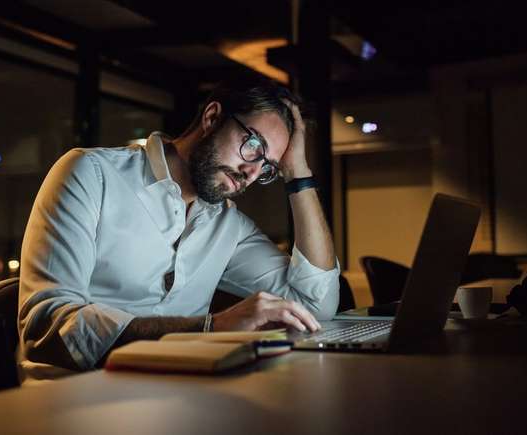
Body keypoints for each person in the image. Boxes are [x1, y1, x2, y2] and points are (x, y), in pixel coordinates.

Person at [17, 78, 340, 382]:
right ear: (212, 117)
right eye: (253, 145)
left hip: (183, 395)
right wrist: (210, 329)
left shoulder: (229, 226)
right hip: (76, 399)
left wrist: (298, 173)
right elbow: (47, 325)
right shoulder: (92, 174)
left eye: (268, 167)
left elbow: (315, 305)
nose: (251, 172)